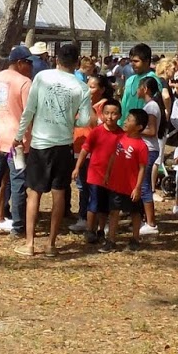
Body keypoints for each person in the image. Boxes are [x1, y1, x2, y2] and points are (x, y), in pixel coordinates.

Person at [15, 41, 92, 257]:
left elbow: (29, 110)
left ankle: (29, 244)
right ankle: (51, 244)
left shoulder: (42, 77)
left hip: (40, 143)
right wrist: (69, 122)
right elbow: (85, 119)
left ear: (56, 59)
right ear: (77, 63)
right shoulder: (82, 87)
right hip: (63, 144)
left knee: (33, 193)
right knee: (59, 194)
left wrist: (19, 135)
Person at [0, 44, 34, 235]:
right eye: (28, 62)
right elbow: (28, 112)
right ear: (20, 63)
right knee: (18, 183)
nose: (31, 66)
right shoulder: (24, 82)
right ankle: (18, 226)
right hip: (17, 141)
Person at [99, 109, 150, 250]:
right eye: (126, 119)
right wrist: (108, 173)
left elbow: (142, 168)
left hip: (131, 186)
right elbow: (113, 157)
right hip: (116, 184)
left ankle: (135, 238)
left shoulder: (141, 146)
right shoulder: (121, 138)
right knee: (114, 211)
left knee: (135, 212)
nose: (126, 122)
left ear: (139, 126)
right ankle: (111, 240)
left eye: (130, 120)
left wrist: (138, 187)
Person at [76, 98, 125, 247]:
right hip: (95, 174)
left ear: (120, 115)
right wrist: (77, 167)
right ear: (102, 115)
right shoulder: (96, 132)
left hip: (113, 176)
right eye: (107, 113)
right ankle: (90, 230)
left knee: (105, 205)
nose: (110, 117)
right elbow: (85, 150)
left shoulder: (122, 135)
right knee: (94, 203)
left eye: (114, 113)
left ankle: (101, 230)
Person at [135, 76, 163, 235]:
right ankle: (143, 218)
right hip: (147, 149)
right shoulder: (149, 106)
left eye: (139, 87)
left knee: (144, 186)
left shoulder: (151, 107)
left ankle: (151, 223)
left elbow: (152, 131)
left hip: (149, 150)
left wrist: (134, 130)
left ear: (145, 89)